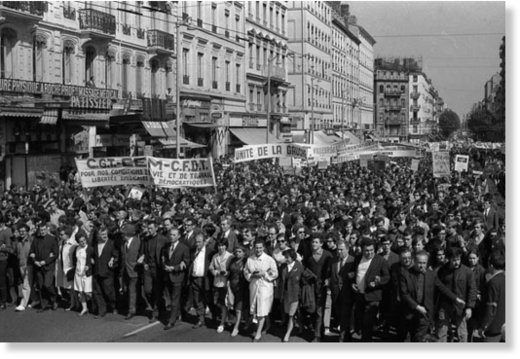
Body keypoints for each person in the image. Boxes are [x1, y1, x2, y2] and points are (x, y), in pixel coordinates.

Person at [399, 251, 459, 342]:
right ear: (414, 261)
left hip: (425, 313)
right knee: (408, 338)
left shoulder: (431, 274)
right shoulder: (405, 274)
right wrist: (417, 307)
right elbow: (404, 294)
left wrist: (456, 298)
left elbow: (441, 287)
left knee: (420, 338)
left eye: (424, 263)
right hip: (410, 312)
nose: (421, 265)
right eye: (419, 263)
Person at [436, 247, 477, 342]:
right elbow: (438, 288)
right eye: (454, 260)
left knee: (462, 333)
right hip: (445, 305)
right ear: (449, 259)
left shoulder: (467, 272)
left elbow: (472, 289)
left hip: (460, 306)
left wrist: (469, 307)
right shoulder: (442, 271)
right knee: (441, 332)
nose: (457, 262)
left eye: (458, 259)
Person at [352, 238, 390, 341]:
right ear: (362, 250)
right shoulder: (357, 258)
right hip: (360, 295)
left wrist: (378, 281)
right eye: (366, 250)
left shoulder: (381, 260)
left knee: (368, 322)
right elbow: (354, 274)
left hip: (373, 296)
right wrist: (353, 283)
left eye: (371, 250)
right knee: (359, 320)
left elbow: (387, 277)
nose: (369, 253)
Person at [244, 239, 278, 342]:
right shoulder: (250, 259)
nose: (258, 250)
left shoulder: (269, 259)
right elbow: (245, 271)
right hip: (254, 285)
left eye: (260, 247)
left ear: (263, 248)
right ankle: (267, 325)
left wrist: (264, 274)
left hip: (265, 287)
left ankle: (258, 333)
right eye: (256, 247)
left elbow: (275, 273)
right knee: (256, 308)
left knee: (262, 309)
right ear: (254, 247)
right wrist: (252, 275)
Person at [301, 233, 332, 341]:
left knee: (320, 311)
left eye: (316, 242)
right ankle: (319, 331)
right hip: (310, 287)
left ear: (321, 244)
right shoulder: (308, 255)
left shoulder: (328, 255)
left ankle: (317, 336)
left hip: (322, 287)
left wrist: (328, 280)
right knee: (313, 310)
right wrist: (308, 275)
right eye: (312, 242)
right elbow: (303, 268)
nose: (313, 244)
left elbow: (331, 270)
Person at [162, 227, 190, 330]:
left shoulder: (183, 248)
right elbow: (164, 258)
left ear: (178, 236)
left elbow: (186, 262)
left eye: (174, 235)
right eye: (170, 234)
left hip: (177, 277)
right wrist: (165, 265)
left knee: (175, 299)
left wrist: (174, 268)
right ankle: (179, 313)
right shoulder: (167, 246)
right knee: (172, 298)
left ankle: (171, 321)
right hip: (168, 276)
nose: (171, 236)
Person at [140, 220, 168, 323]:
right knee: (147, 290)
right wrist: (144, 263)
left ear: (156, 228)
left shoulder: (163, 239)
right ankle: (160, 307)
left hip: (158, 269)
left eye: (151, 228)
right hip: (148, 268)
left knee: (157, 291)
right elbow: (142, 253)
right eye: (148, 228)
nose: (149, 230)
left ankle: (156, 313)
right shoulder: (145, 239)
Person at [328, 241, 356, 342]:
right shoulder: (333, 261)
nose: (339, 251)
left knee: (345, 315)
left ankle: (342, 338)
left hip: (348, 294)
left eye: (341, 249)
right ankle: (347, 336)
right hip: (336, 293)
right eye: (338, 249)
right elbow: (330, 275)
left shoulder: (353, 261)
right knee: (340, 315)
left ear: (347, 249)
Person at [29, 221, 59, 312]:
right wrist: (35, 261)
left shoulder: (52, 239)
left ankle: (54, 299)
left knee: (47, 284)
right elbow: (32, 251)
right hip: (38, 266)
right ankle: (43, 305)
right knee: (41, 286)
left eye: (44, 229)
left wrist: (45, 262)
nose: (42, 231)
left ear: (47, 229)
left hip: (48, 266)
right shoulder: (36, 239)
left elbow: (55, 254)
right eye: (40, 230)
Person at [188, 232, 214, 329]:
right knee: (197, 300)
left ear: (204, 242)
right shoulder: (192, 251)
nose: (197, 244)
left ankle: (214, 318)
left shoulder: (210, 251)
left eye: (199, 242)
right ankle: (200, 319)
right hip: (195, 278)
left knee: (209, 299)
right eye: (196, 242)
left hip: (205, 279)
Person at [92, 226, 119, 317]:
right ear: (98, 235)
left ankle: (113, 306)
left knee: (109, 292)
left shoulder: (111, 243)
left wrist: (113, 260)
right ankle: (101, 311)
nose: (104, 236)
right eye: (102, 234)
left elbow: (116, 255)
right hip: (97, 271)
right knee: (98, 292)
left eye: (105, 234)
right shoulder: (95, 244)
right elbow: (93, 255)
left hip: (107, 272)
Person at [479, 250, 505, 342]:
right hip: (504, 326)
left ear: (491, 265)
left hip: (493, 328)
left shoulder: (493, 282)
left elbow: (491, 307)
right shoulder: (505, 278)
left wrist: (484, 326)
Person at [209, 240, 233, 334]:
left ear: (226, 246)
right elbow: (211, 267)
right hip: (217, 282)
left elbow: (233, 270)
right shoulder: (215, 256)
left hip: (226, 283)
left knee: (224, 303)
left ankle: (222, 323)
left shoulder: (230, 256)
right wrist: (216, 272)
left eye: (223, 245)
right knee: (217, 302)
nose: (221, 247)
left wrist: (227, 273)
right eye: (219, 245)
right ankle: (228, 317)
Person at [280, 248, 303, 342]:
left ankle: (287, 333)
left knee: (291, 315)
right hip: (285, 294)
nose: (286, 259)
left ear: (293, 257)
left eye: (287, 257)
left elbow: (303, 279)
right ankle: (300, 326)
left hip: (294, 294)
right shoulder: (283, 266)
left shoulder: (299, 266)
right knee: (292, 313)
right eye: (285, 257)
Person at [120, 224, 141, 320]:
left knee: (132, 291)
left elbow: (140, 254)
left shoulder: (137, 242)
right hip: (126, 271)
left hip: (134, 270)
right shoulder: (124, 243)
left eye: (123, 233)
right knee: (127, 290)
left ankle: (131, 310)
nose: (122, 235)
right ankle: (135, 306)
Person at [56, 226, 78, 311]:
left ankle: (77, 304)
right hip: (64, 269)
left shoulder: (73, 244)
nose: (60, 236)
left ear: (67, 234)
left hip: (71, 269)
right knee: (70, 289)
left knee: (74, 288)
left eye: (62, 234)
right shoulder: (61, 243)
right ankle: (73, 303)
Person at [73, 232, 94, 316]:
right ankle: (84, 308)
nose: (83, 242)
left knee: (88, 292)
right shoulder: (76, 249)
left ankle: (93, 305)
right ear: (78, 242)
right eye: (81, 241)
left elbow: (93, 261)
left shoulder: (90, 249)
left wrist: (89, 266)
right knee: (81, 292)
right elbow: (75, 260)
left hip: (87, 274)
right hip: (78, 273)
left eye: (84, 240)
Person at [14, 224, 32, 312]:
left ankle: (22, 304)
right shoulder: (18, 241)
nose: (21, 233)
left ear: (27, 232)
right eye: (20, 231)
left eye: (23, 231)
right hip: (21, 265)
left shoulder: (31, 240)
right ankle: (34, 299)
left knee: (26, 284)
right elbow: (16, 253)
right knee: (28, 284)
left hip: (29, 265)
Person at [0, 215, 13, 309]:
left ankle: (3, 301)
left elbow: (9, 248)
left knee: (2, 280)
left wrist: (2, 247)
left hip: (3, 259)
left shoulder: (7, 231)